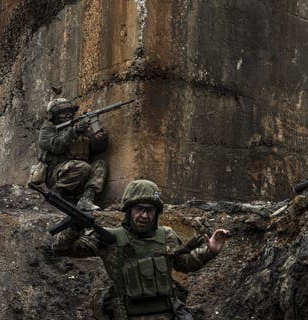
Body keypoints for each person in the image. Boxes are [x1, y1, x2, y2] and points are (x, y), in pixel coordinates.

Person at [52, 179, 230, 320]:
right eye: (139, 209)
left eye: (150, 210)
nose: (144, 216)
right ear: (128, 211)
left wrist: (210, 250)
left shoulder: (166, 235)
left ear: (156, 212)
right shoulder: (110, 238)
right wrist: (74, 229)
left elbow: (185, 264)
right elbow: (62, 248)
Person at [38, 97, 109, 211]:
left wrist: (99, 138)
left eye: (69, 112)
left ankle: (86, 199)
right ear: (54, 115)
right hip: (57, 174)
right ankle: (56, 194)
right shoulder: (48, 129)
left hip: (79, 174)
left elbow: (95, 148)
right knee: (83, 166)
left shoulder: (79, 126)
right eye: (62, 113)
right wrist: (74, 131)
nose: (67, 115)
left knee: (100, 164)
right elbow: (56, 146)